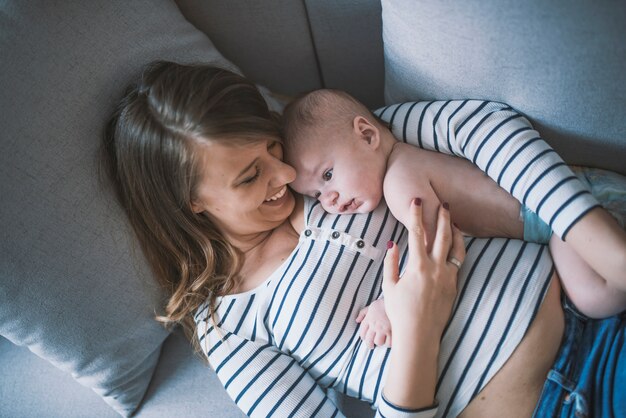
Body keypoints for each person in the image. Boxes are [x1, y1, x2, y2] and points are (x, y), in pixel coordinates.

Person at [102, 61, 625, 417]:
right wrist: (420, 325)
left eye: (270, 148)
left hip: (600, 305)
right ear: (191, 205)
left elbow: (485, 130)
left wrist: (592, 236)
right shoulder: (229, 328)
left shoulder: (327, 152)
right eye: (248, 176)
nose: (284, 176)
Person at [281, 89, 626, 347]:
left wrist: (390, 304)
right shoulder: (407, 159)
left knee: (593, 297)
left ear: (368, 135)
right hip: (568, 204)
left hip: (568, 207)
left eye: (327, 175)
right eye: (314, 195)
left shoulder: (399, 180)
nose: (330, 200)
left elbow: (432, 249)